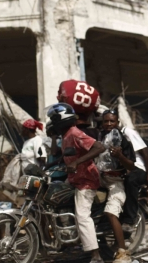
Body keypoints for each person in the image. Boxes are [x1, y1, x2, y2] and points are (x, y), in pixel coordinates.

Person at [47, 103, 106, 263]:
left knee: (82, 215)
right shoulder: (65, 136)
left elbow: (99, 147)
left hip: (86, 180)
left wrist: (77, 162)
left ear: (61, 119)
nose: (52, 122)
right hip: (75, 179)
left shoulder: (74, 133)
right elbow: (60, 153)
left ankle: (96, 256)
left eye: (53, 119)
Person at [96, 110, 136, 262]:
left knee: (111, 213)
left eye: (112, 121)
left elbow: (131, 166)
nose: (108, 124)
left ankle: (122, 251)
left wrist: (120, 156)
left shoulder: (123, 140)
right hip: (99, 179)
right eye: (106, 121)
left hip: (116, 181)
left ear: (117, 122)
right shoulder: (99, 136)